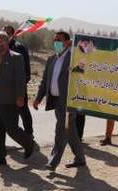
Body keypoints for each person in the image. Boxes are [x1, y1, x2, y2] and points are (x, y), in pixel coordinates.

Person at [0, 31, 39, 166]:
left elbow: (20, 79)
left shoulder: (16, 57)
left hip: (9, 100)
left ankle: (28, 143)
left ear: (5, 42)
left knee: (12, 129)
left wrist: (20, 97)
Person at [33, 31, 86, 170]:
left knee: (60, 130)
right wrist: (38, 98)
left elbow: (82, 77)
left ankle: (53, 161)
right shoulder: (52, 59)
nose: (56, 42)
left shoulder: (74, 58)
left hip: (68, 101)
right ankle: (80, 158)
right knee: (70, 131)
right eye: (54, 40)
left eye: (59, 40)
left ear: (68, 42)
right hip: (55, 101)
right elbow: (45, 81)